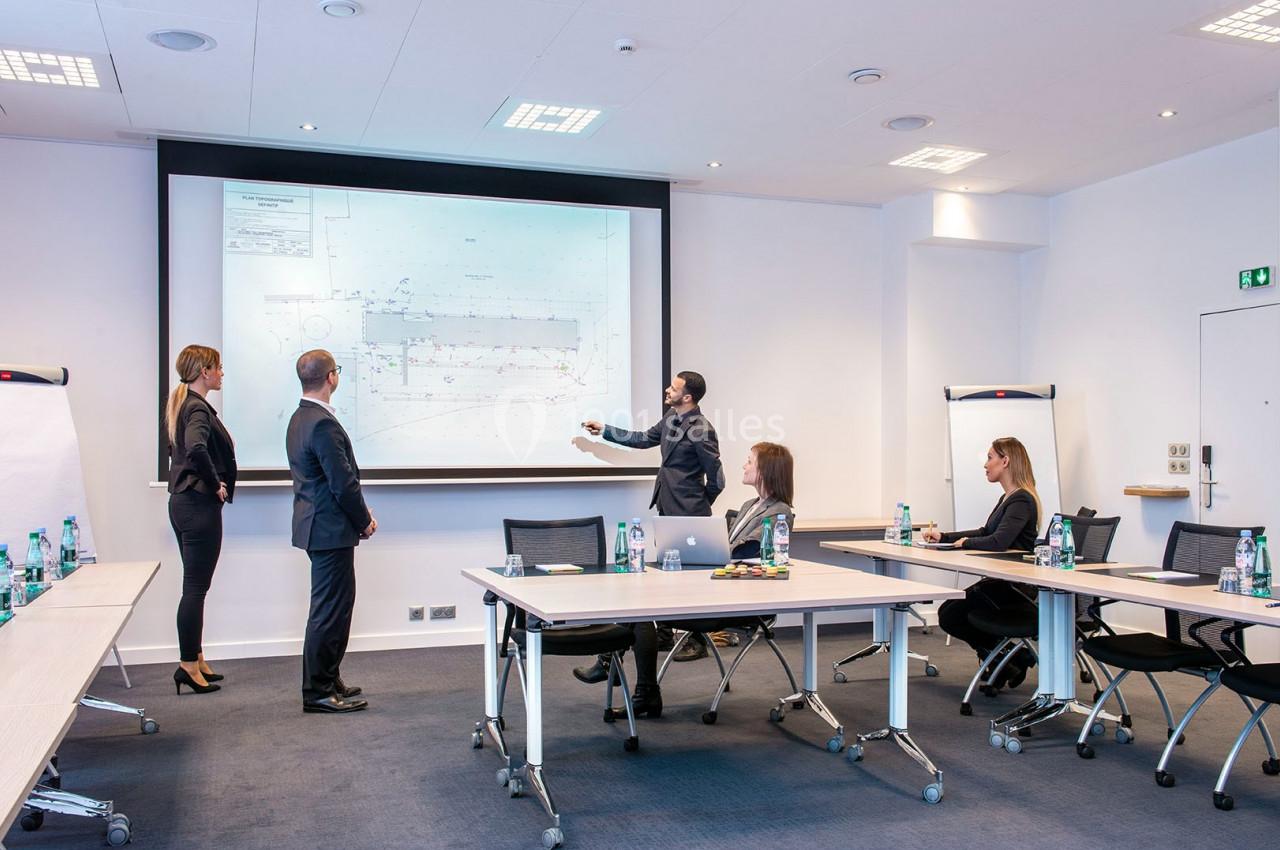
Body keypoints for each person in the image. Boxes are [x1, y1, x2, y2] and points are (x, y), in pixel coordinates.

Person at [574, 372, 726, 708]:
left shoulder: (701, 429)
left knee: (668, 584)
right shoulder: (672, 418)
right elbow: (643, 439)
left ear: (688, 397)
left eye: (673, 388)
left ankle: (687, 638)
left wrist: (698, 507)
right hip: (668, 508)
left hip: (689, 516)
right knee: (657, 581)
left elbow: (717, 478)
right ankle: (641, 645)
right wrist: (606, 431)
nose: (667, 390)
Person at [287, 350, 377, 714]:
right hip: (329, 529)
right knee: (329, 612)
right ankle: (318, 691)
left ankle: (328, 677)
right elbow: (342, 484)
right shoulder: (321, 423)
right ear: (331, 378)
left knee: (334, 608)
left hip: (318, 527)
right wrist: (364, 520)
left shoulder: (300, 417)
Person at [923, 436, 1041, 690]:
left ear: (1005, 461)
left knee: (952, 613)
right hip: (1001, 581)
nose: (985, 464)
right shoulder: (1009, 498)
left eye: (990, 458)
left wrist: (963, 543)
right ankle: (1006, 657)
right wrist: (945, 537)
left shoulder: (1022, 500)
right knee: (950, 612)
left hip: (1015, 586)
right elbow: (984, 531)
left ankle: (1007, 657)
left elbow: (998, 541)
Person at [167, 345, 237, 695]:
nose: (222, 373)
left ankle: (196, 658)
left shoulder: (185, 404)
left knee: (195, 587)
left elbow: (179, 450)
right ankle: (187, 665)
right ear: (204, 372)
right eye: (218, 368)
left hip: (183, 504)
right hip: (197, 505)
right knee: (195, 589)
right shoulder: (196, 407)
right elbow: (195, 448)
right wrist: (215, 484)